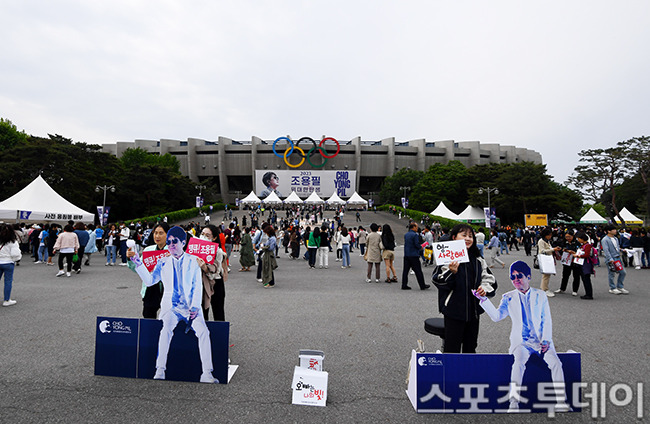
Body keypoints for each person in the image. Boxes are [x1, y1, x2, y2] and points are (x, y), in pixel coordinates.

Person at [476, 261, 568, 412]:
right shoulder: (508, 297)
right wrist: (483, 300)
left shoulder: (540, 295)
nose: (516, 280)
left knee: (556, 363)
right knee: (518, 363)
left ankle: (561, 401)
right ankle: (513, 402)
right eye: (512, 277)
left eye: (519, 276)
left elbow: (546, 319)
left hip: (541, 341)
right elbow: (497, 317)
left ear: (529, 276)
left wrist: (546, 340)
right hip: (522, 342)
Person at [131, 226, 218, 383]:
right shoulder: (163, 262)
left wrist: (195, 307)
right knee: (165, 331)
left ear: (183, 242)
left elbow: (196, 285)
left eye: (174, 242)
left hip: (190, 306)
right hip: (171, 307)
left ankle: (207, 373)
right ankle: (160, 370)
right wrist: (138, 264)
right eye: (169, 242)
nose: (171, 245)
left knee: (203, 332)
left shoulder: (193, 261)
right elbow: (150, 281)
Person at [432, 224, 497, 353]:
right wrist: (452, 272)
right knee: (452, 349)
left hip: (474, 312)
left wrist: (484, 289)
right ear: (454, 237)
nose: (468, 238)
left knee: (471, 347)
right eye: (464, 235)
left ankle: (468, 373)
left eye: (470, 236)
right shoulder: (448, 258)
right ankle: (451, 373)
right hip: (453, 311)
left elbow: (490, 280)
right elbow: (438, 280)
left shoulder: (478, 259)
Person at [128, 223, 169, 318]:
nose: (157, 236)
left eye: (161, 233)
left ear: (168, 235)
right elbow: (137, 269)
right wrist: (130, 259)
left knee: (167, 319)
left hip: (167, 289)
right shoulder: (148, 250)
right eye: (155, 233)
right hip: (150, 289)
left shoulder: (173, 251)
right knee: (148, 317)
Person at [198, 225, 228, 321]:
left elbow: (216, 272)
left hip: (216, 283)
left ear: (214, 238)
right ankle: (203, 335)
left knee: (218, 312)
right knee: (202, 312)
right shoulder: (195, 249)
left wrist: (205, 268)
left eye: (208, 235)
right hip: (201, 284)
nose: (203, 237)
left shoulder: (218, 251)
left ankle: (219, 335)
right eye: (202, 234)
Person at [600, 224, 629, 295]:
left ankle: (620, 286)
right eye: (614, 230)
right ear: (608, 231)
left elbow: (617, 247)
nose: (615, 231)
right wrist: (610, 258)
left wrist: (621, 250)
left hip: (618, 257)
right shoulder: (605, 239)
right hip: (611, 258)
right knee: (611, 273)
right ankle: (612, 288)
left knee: (623, 272)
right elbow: (606, 250)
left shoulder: (616, 238)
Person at [401, 222, 430, 290]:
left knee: (405, 271)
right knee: (418, 271)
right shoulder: (415, 235)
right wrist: (421, 247)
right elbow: (416, 245)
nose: (417, 228)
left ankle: (404, 284)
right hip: (414, 255)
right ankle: (422, 285)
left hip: (407, 254)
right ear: (413, 227)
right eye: (416, 227)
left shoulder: (406, 234)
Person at [0, 224, 22, 306]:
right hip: (8, 262)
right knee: (8, 282)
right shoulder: (13, 242)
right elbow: (15, 254)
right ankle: (6, 300)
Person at [555, 232, 581, 296]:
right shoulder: (564, 242)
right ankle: (562, 288)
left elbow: (580, 250)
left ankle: (575, 290)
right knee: (565, 275)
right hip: (566, 260)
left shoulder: (577, 242)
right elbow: (560, 249)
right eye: (566, 237)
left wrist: (573, 251)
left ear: (573, 236)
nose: (568, 238)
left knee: (576, 276)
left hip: (575, 261)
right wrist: (564, 250)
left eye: (569, 237)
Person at [571, 232, 595, 300]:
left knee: (586, 279)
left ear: (582, 239)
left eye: (579, 238)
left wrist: (578, 256)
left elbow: (586, 255)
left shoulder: (587, 246)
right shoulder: (584, 245)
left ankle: (589, 294)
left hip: (585, 264)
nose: (578, 240)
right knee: (585, 279)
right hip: (583, 264)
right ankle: (588, 293)